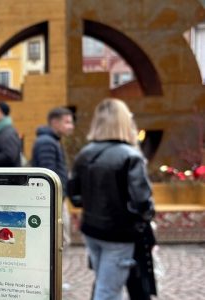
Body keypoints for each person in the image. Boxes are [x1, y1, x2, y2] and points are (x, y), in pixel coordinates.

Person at [67, 98, 155, 300]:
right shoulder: (130, 156)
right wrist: (142, 217)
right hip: (119, 233)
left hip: (91, 229)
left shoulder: (85, 153)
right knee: (108, 291)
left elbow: (75, 195)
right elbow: (142, 201)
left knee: (104, 282)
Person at [32, 107, 74, 248]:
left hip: (57, 197)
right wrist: (57, 196)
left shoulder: (52, 140)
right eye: (67, 122)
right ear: (55, 123)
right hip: (53, 198)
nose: (71, 126)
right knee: (59, 240)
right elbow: (48, 175)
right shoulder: (46, 142)